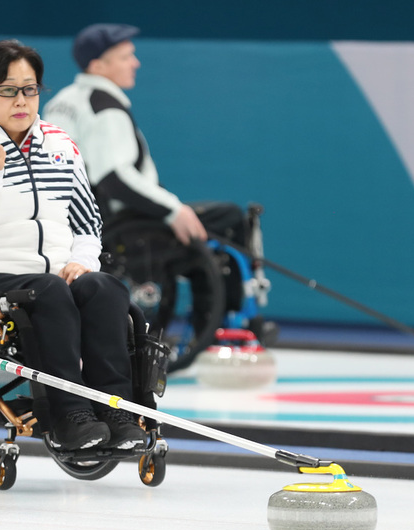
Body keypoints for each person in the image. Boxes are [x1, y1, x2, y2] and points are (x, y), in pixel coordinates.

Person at [0, 40, 146, 451]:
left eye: (30, 89)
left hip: (58, 275)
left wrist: (83, 261)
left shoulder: (61, 145)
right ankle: (69, 415)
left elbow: (87, 222)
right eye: (8, 90)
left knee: (103, 287)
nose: (21, 101)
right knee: (49, 292)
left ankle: (115, 410)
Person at [42, 23, 267, 329]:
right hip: (115, 223)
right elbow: (114, 177)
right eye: (125, 57)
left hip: (72, 219)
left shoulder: (63, 101)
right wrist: (173, 210)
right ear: (98, 66)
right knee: (226, 219)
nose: (135, 63)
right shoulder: (105, 109)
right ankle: (221, 326)